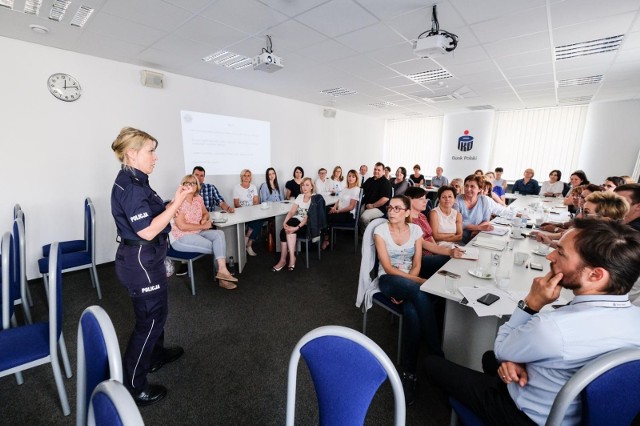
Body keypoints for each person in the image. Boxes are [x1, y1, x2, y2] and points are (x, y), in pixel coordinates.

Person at [424, 218, 640, 425]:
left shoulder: (553, 329)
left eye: (561, 252)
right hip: (575, 411)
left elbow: (501, 349)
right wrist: (514, 359)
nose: (551, 256)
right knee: (491, 359)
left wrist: (531, 304)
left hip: (526, 416)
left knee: (432, 363)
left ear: (595, 275)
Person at [110, 127, 190, 406]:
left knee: (158, 314)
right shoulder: (131, 186)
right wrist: (178, 202)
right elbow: (145, 230)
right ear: (132, 154)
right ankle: (134, 385)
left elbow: (152, 213)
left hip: (148, 259)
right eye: (150, 151)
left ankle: (155, 355)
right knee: (150, 321)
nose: (155, 157)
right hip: (141, 262)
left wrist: (169, 203)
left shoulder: (137, 180)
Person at [373, 195, 443, 405]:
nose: (391, 211)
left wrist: (414, 281)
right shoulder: (380, 231)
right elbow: (387, 267)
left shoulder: (415, 230)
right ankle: (437, 354)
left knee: (413, 308)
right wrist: (419, 281)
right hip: (389, 280)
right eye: (389, 208)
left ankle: (408, 374)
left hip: (410, 280)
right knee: (420, 292)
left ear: (406, 212)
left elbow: (417, 262)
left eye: (396, 208)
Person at [170, 175, 238, 290]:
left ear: (197, 186)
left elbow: (206, 213)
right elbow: (182, 226)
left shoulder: (198, 199)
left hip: (198, 232)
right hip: (181, 237)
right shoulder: (178, 201)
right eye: (187, 183)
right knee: (216, 246)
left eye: (193, 183)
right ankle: (223, 277)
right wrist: (202, 225)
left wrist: (204, 219)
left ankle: (222, 271)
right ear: (183, 185)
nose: (190, 185)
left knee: (219, 234)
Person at [404, 186, 464, 278]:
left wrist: (438, 250)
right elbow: (423, 244)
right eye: (421, 199)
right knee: (451, 259)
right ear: (409, 200)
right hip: (421, 257)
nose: (425, 201)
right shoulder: (409, 220)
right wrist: (448, 252)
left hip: (432, 251)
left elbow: (431, 236)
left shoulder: (421, 216)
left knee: (458, 256)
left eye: (425, 199)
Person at [272, 177, 314, 271]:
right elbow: (291, 212)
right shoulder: (300, 197)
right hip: (297, 220)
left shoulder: (314, 199)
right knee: (284, 231)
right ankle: (283, 260)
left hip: (306, 225)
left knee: (289, 230)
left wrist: (297, 228)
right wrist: (284, 222)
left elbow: (307, 218)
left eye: (307, 185)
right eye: (303, 185)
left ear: (312, 187)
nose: (304, 187)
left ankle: (291, 258)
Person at [321, 169, 360, 250]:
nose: (351, 178)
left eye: (353, 176)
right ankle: (324, 236)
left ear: (356, 178)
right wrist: (334, 207)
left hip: (348, 214)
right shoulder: (345, 188)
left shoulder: (356, 189)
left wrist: (337, 211)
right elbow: (338, 199)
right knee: (323, 209)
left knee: (326, 217)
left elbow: (351, 207)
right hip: (340, 211)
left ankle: (325, 239)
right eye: (349, 176)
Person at [453, 175, 494, 243]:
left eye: (472, 186)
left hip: (477, 235)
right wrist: (478, 228)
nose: (468, 189)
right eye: (466, 185)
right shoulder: (457, 200)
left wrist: (476, 230)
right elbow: (458, 223)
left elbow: (486, 220)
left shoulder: (483, 200)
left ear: (480, 189)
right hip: (459, 237)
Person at [233, 169, 261, 257]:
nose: (246, 177)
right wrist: (245, 212)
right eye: (244, 175)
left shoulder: (253, 187)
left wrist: (251, 211)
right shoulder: (237, 187)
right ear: (241, 177)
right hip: (241, 212)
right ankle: (248, 243)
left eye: (248, 176)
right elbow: (236, 203)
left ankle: (248, 242)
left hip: (252, 211)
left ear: (250, 178)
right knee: (255, 222)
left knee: (259, 220)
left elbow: (256, 201)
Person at [360, 162, 392, 229]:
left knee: (364, 218)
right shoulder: (369, 180)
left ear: (383, 171)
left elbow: (385, 199)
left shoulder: (386, 183)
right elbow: (361, 190)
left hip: (379, 208)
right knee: (356, 214)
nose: (376, 171)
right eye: (375, 169)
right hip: (367, 205)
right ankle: (360, 232)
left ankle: (369, 235)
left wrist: (372, 205)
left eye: (378, 170)